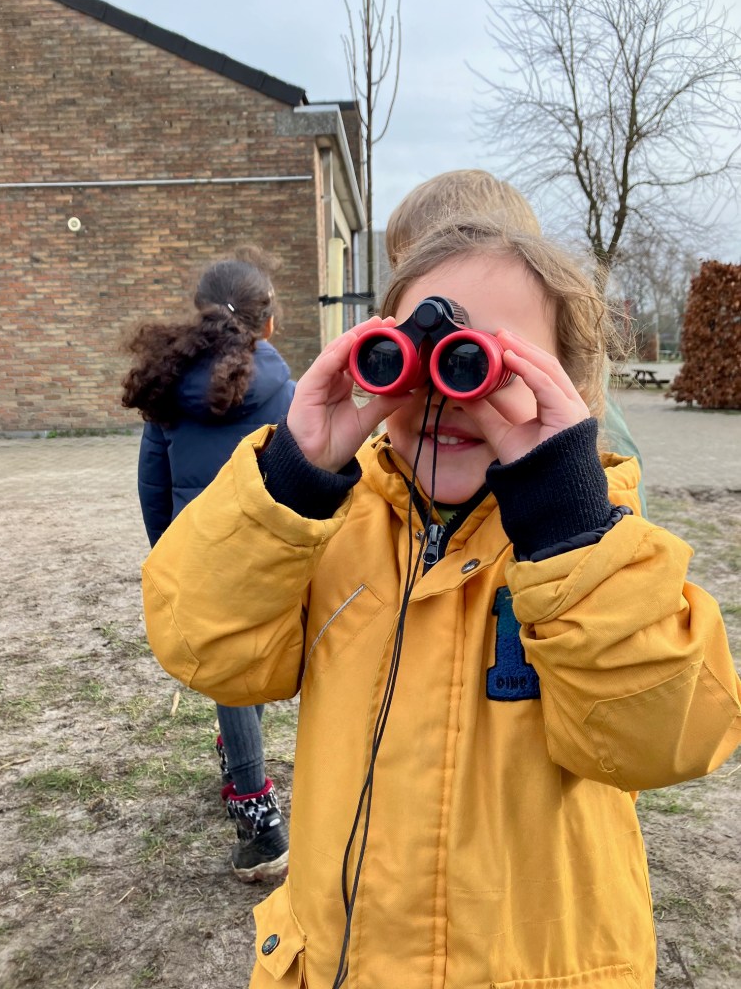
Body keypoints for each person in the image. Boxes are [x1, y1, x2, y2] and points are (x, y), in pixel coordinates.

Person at [140, 218, 740, 989]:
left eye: (486, 365)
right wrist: (291, 476)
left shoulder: (604, 548)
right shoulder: (328, 528)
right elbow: (203, 648)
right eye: (418, 359)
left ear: (573, 388)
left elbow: (666, 740)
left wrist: (569, 527)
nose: (452, 397)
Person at [121, 247, 294, 883]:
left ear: (199, 316)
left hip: (202, 556)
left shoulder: (166, 391)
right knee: (251, 660)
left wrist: (170, 557)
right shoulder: (290, 393)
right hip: (273, 552)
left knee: (229, 672)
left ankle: (258, 819)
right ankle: (242, 761)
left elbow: (153, 484)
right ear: (268, 322)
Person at [385, 168, 648, 512]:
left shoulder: (598, 497)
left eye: (478, 361)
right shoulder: (357, 490)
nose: (443, 395)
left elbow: (629, 525)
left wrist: (573, 515)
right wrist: (317, 477)